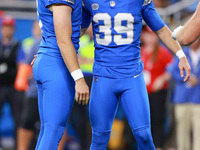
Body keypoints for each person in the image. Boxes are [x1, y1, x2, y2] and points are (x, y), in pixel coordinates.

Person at [81, 0, 191, 149]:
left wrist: (181, 55)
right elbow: (77, 32)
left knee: (144, 135)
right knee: (99, 138)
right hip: (103, 76)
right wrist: (52, 50)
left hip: (131, 76)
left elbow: (161, 29)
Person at [32, 0, 90, 149]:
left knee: (47, 130)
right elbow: (63, 40)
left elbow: (69, 31)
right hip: (56, 64)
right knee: (53, 131)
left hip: (48, 59)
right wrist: (79, 78)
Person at [141, 26, 173, 150]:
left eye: (151, 34)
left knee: (157, 120)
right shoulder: (139, 51)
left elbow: (172, 69)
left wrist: (162, 79)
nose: (148, 37)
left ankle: (158, 146)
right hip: (142, 93)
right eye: (146, 34)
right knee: (141, 122)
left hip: (157, 93)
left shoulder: (162, 52)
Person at [169, 39, 200, 150]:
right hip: (182, 98)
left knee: (199, 132)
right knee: (182, 132)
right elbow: (173, 71)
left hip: (198, 99)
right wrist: (187, 78)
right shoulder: (182, 54)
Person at [0, 15, 24, 148]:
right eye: (5, 27)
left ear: (13, 29)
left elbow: (21, 65)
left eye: (9, 27)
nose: (7, 30)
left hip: (14, 88)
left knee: (18, 118)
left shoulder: (17, 45)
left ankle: (18, 145)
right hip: (0, 86)